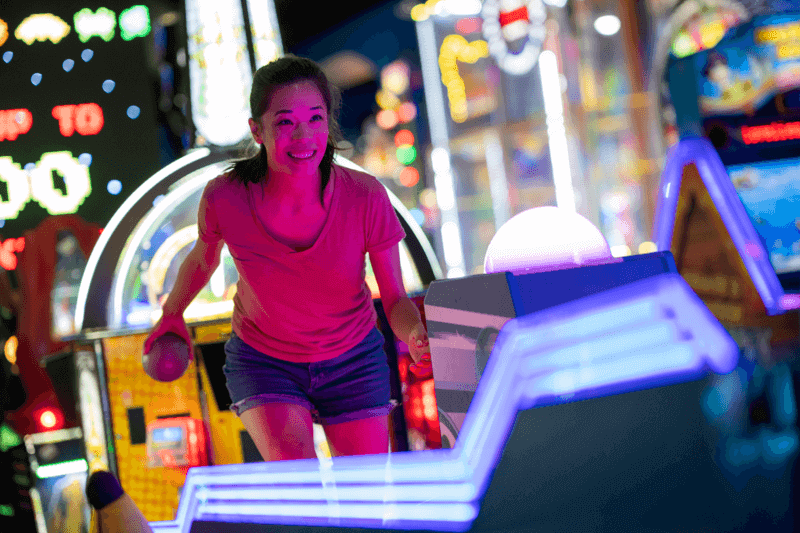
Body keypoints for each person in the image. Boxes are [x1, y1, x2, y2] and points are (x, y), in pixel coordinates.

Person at [143, 55, 431, 461]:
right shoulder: (225, 196)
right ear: (257, 131)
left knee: (365, 501)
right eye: (284, 122)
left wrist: (415, 335)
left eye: (315, 119)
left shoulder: (365, 195)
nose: (303, 136)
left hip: (353, 358)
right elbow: (203, 259)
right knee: (301, 494)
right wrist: (171, 314)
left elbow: (396, 300)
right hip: (265, 360)